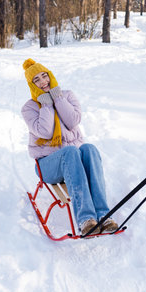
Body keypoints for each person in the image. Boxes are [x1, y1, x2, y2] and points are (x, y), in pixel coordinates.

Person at [21, 58, 118, 237]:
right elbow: (45, 132)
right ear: (31, 84)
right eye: (37, 80)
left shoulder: (67, 95)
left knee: (89, 148)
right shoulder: (29, 108)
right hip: (48, 165)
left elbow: (73, 121)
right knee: (71, 151)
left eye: (45, 76)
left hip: (74, 161)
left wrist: (57, 98)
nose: (43, 82)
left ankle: (104, 215)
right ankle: (86, 220)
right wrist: (46, 105)